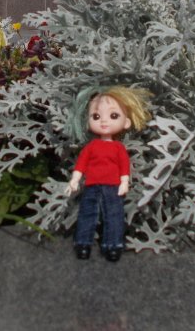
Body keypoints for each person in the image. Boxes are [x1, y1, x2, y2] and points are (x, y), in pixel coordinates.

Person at [65, 86, 151, 262]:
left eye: (113, 116)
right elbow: (81, 164)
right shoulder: (91, 146)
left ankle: (113, 245)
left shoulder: (118, 147)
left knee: (114, 215)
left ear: (126, 123)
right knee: (87, 213)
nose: (104, 121)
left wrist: (124, 182)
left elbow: (124, 166)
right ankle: (83, 244)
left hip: (112, 186)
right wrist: (75, 179)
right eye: (96, 116)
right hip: (91, 185)